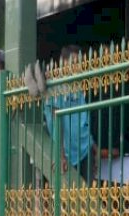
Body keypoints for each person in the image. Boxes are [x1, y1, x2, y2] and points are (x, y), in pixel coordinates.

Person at [42, 45, 96, 183]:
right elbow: (56, 121)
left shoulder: (78, 87)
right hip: (66, 153)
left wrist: (92, 146)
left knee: (87, 196)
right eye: (74, 63)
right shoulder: (54, 86)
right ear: (62, 62)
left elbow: (84, 120)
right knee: (68, 198)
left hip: (85, 150)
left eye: (80, 63)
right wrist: (60, 155)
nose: (77, 67)